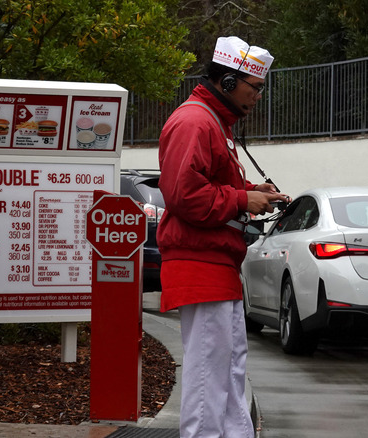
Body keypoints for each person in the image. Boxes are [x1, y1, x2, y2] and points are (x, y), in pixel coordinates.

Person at [157, 36, 290, 438]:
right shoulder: (196, 122)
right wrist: (242, 198)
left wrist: (251, 193)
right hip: (201, 265)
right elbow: (183, 194)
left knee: (227, 370)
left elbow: (205, 185)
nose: (257, 96)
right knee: (207, 377)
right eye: (255, 87)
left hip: (215, 266)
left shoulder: (210, 122)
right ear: (229, 82)